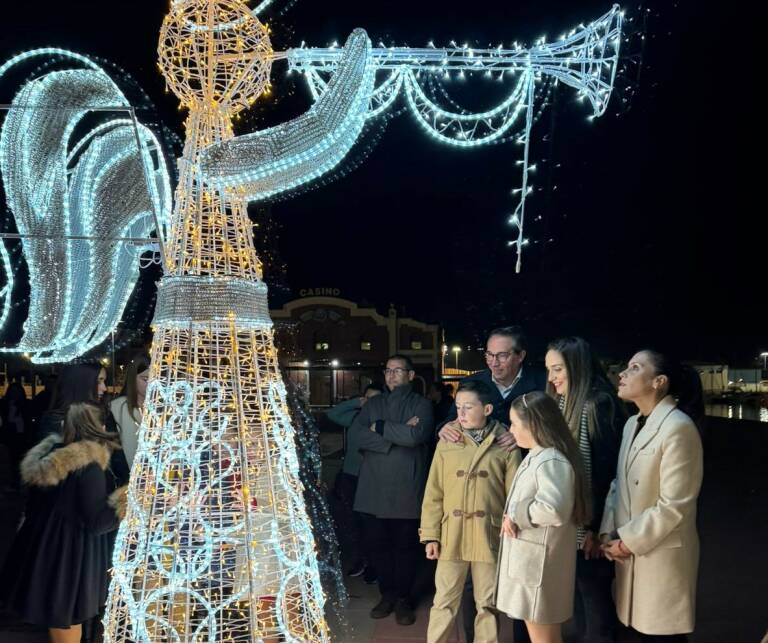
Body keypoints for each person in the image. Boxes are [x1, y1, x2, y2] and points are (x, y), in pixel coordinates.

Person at [438, 325, 546, 643]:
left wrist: (527, 437)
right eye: (489, 354)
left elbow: (555, 428)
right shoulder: (476, 382)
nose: (494, 362)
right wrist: (444, 428)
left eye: (501, 355)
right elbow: (451, 417)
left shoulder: (540, 383)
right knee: (477, 587)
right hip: (480, 500)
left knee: (523, 574)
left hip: (529, 490)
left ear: (520, 355)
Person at [0, 402, 128, 643]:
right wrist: (129, 499)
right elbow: (97, 522)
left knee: (61, 625)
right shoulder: (87, 464)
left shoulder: (52, 456)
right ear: (100, 426)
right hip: (71, 559)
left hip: (48, 550)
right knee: (67, 625)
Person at [599, 350, 704, 642]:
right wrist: (609, 532)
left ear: (658, 381)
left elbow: (675, 504)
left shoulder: (678, 428)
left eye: (634, 368)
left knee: (662, 634)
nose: (622, 374)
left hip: (660, 553)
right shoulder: (633, 424)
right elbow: (618, 484)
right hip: (629, 549)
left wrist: (628, 542)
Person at [420, 380, 521, 643]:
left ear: (487, 409)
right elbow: (434, 492)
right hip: (451, 534)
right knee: (443, 601)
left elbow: (514, 496)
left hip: (489, 534)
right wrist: (431, 535)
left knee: (487, 604)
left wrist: (510, 533)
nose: (461, 414)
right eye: (457, 407)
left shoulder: (505, 443)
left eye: (468, 407)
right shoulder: (449, 438)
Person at [545, 337, 626, 643]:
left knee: (594, 599)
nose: (552, 378)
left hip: (589, 525)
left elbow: (608, 474)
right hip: (570, 523)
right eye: (549, 370)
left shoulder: (597, 404)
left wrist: (594, 529)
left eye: (557, 369)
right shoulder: (563, 402)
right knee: (579, 594)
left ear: (577, 368)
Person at [496, 391, 591, 643]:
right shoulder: (541, 456)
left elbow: (553, 509)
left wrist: (516, 514)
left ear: (534, 425)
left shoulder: (550, 460)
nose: (511, 429)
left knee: (544, 638)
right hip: (533, 564)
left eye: (515, 423)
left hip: (538, 567)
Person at [351, 355, 434, 625]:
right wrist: (395, 436)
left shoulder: (422, 404)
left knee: (406, 549)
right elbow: (356, 435)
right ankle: (387, 594)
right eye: (388, 370)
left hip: (407, 490)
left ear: (411, 375)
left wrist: (381, 427)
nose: (391, 375)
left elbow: (415, 436)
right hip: (372, 489)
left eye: (398, 370)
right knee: (378, 548)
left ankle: (404, 599)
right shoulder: (373, 403)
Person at [327, 383, 383, 580]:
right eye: (367, 398)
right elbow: (333, 414)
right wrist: (357, 402)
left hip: (373, 478)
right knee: (353, 521)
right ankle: (360, 560)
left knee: (372, 523)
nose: (370, 403)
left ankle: (375, 564)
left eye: (376, 399)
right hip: (350, 477)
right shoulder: (355, 418)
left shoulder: (385, 422)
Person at [109, 354, 150, 469]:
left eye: (155, 378)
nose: (151, 384)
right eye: (145, 379)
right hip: (129, 476)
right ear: (133, 378)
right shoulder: (119, 407)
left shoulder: (159, 408)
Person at [0, 381, 33, 484]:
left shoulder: (26, 404)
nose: (15, 394)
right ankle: (14, 482)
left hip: (23, 435)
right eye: (13, 392)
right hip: (10, 436)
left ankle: (21, 482)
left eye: (17, 392)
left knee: (22, 460)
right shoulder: (4, 404)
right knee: (11, 460)